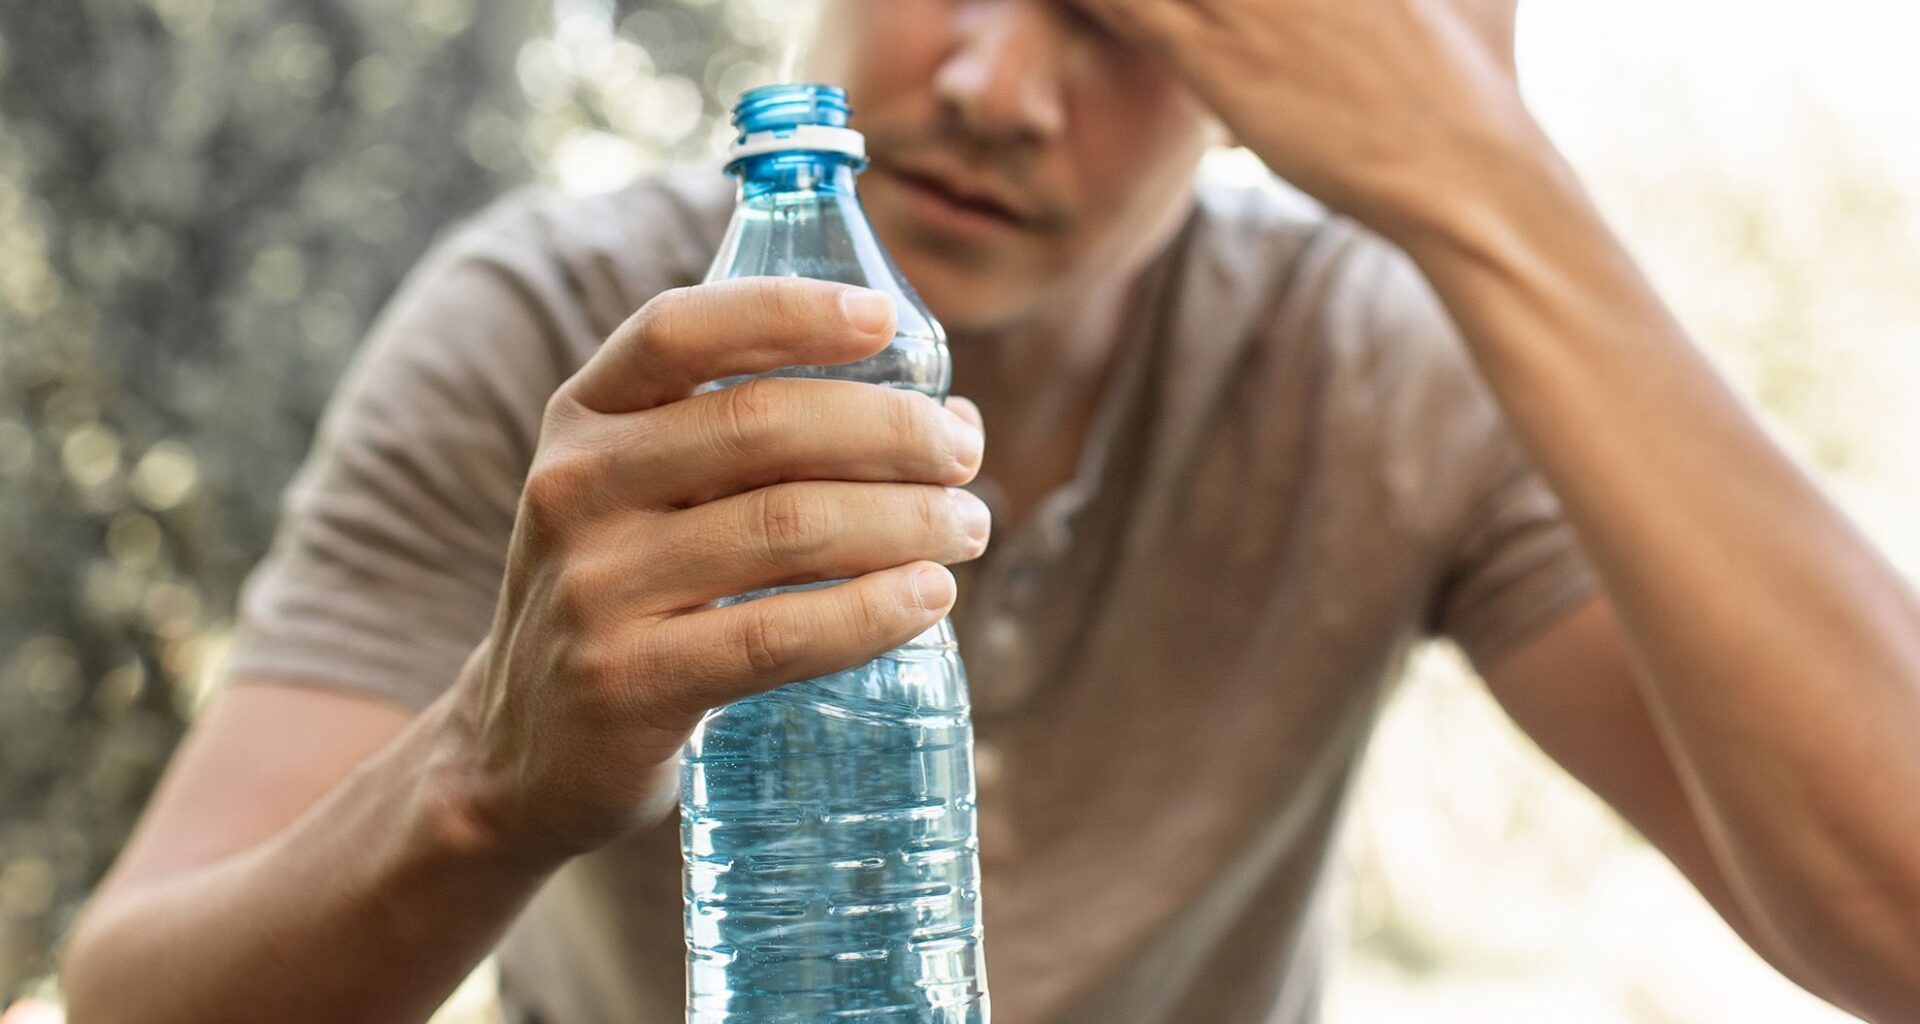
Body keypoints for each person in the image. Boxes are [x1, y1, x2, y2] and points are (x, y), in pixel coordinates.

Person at [58, 0, 1920, 1021]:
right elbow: (135, 1005)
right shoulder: (562, 344)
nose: (996, 83)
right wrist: (484, 768)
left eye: (1123, 16)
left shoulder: (1377, 362)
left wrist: (1484, 183)